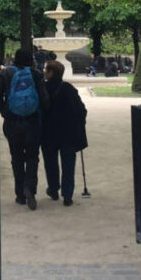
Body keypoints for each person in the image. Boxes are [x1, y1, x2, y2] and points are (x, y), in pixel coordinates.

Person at [0, 47, 50, 210]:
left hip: (13, 122)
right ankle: (30, 188)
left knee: (16, 158)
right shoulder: (36, 74)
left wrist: (6, 112)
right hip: (32, 122)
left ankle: (19, 194)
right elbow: (44, 98)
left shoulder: (6, 74)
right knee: (33, 157)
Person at [41, 60, 87, 206]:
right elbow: (81, 110)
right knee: (68, 164)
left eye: (46, 70)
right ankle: (67, 195)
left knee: (51, 162)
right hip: (68, 133)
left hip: (48, 132)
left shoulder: (43, 88)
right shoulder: (69, 89)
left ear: (51, 72)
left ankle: (53, 189)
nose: (44, 72)